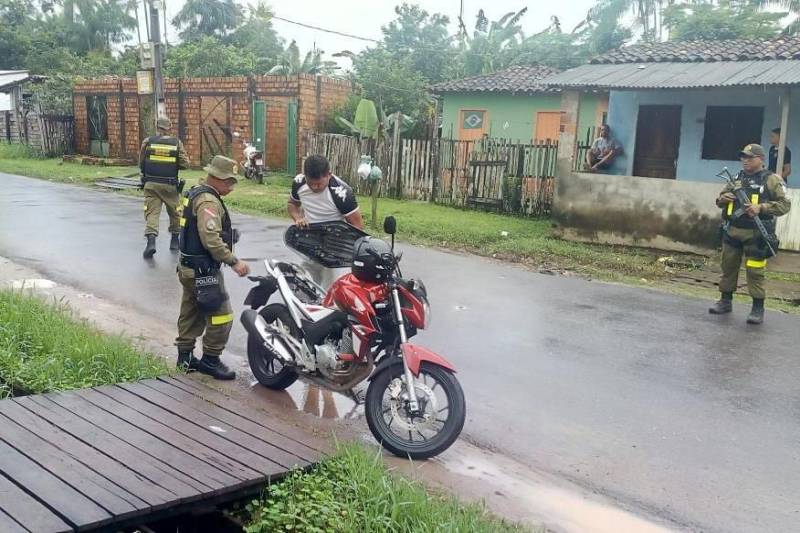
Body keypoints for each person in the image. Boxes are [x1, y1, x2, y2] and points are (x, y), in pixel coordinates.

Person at [175, 155, 250, 379]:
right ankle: (210, 359)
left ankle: (185, 357)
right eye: (229, 182)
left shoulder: (196, 191)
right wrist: (233, 261)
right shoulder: (208, 202)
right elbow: (211, 239)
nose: (231, 187)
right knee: (222, 316)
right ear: (216, 178)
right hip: (203, 271)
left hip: (187, 267)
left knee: (191, 311)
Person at [709, 144, 790, 325]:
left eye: (749, 157)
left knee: (755, 271)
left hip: (756, 234)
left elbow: (785, 205)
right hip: (732, 230)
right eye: (743, 157)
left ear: (760, 159)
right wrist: (723, 199)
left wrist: (761, 207)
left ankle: (757, 308)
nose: (745, 161)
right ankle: (725, 301)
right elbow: (720, 199)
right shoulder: (736, 177)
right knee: (728, 267)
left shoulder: (771, 180)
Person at [287, 155, 364, 287]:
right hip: (310, 241)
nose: (315, 187)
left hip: (335, 247)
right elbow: (292, 204)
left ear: (329, 174)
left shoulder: (342, 193)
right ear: (305, 176)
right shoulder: (299, 182)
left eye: (319, 184)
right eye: (311, 183)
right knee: (304, 284)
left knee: (332, 289)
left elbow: (358, 227)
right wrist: (298, 218)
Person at [139, 116, 190, 259]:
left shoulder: (148, 141)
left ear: (157, 127)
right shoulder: (176, 143)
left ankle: (151, 243)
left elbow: (141, 162)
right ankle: (175, 241)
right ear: (170, 128)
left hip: (151, 184)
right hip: (169, 185)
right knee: (175, 213)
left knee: (152, 214)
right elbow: (186, 164)